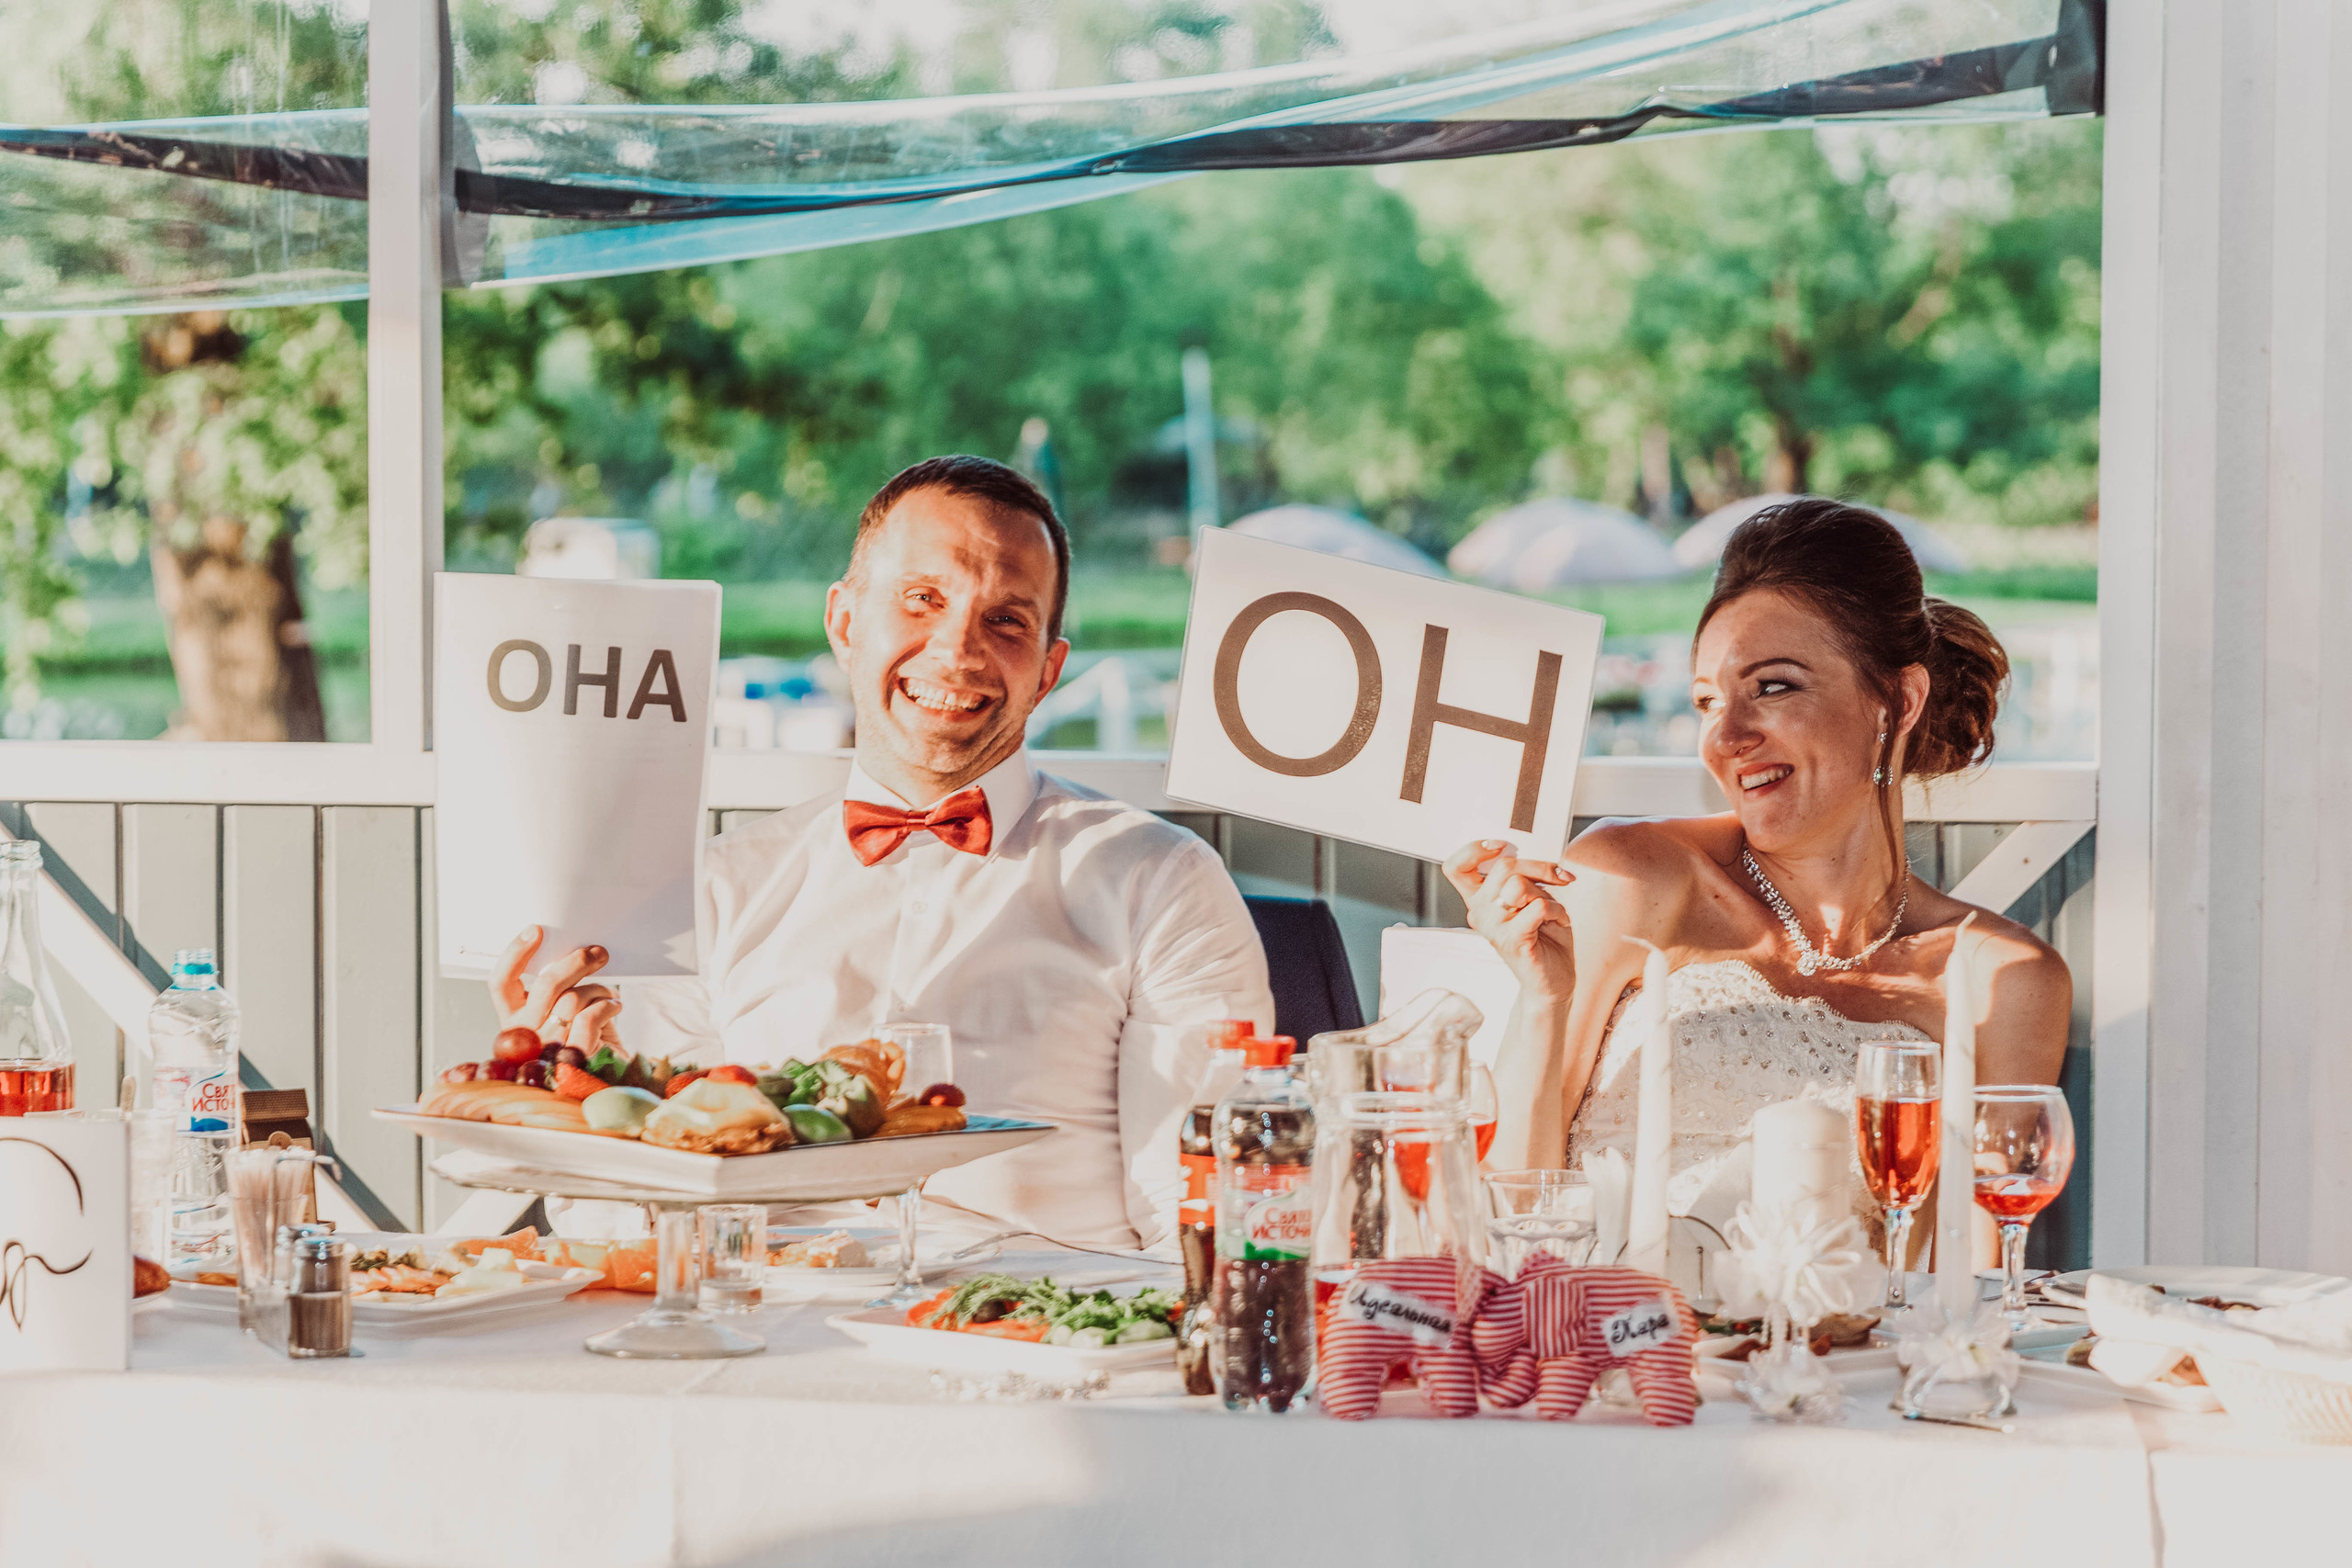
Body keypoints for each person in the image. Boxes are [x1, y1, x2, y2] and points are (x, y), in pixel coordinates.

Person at [492, 456, 1273, 1250]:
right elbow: (632, 1229)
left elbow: (1200, 1215)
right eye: (922, 599)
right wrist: (581, 1099)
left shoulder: (1160, 880)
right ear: (843, 622)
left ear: (1047, 671)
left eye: (1006, 620)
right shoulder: (714, 890)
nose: (959, 650)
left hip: (1039, 1332)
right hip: (770, 1326)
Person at [1448, 497, 2070, 1235]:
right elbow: (1507, 1222)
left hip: (1844, 1350)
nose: (1726, 736)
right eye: (1708, 701)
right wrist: (1543, 998)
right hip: (1602, 1333)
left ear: (1897, 701)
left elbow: (1971, 1288)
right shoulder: (1635, 877)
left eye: (1773, 686)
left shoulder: (2002, 979)